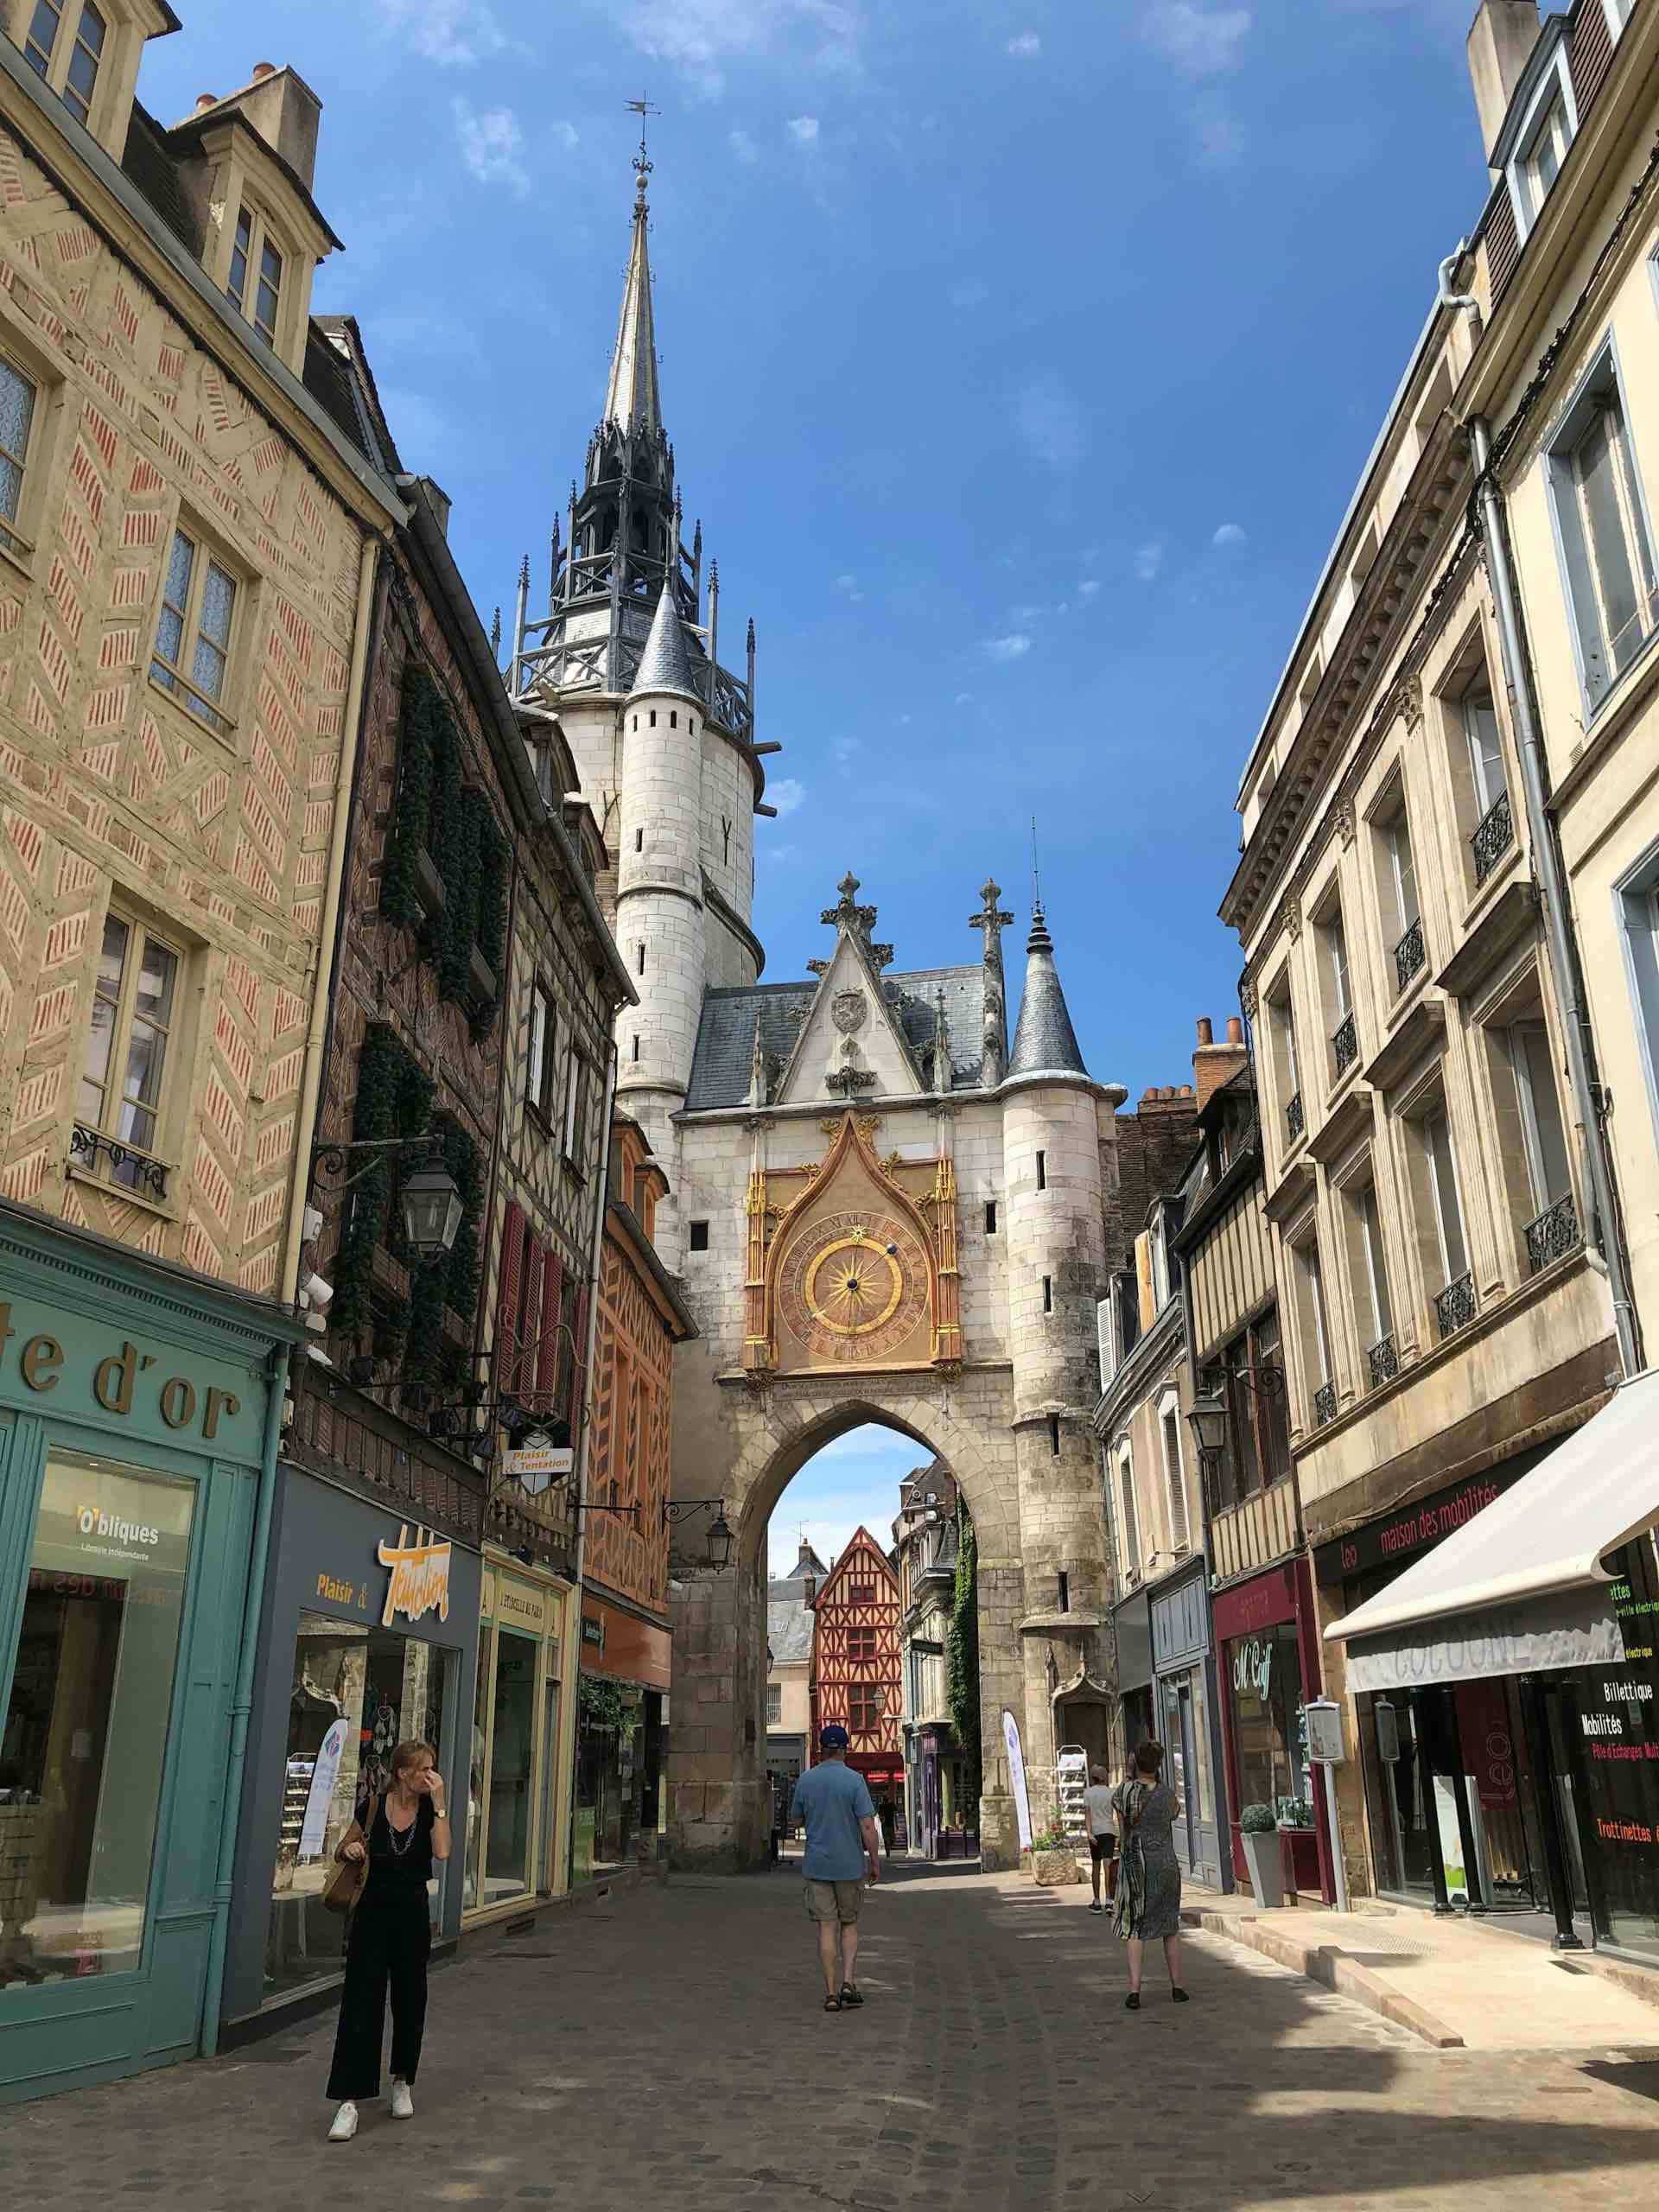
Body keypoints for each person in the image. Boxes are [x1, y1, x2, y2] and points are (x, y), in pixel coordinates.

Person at [325, 1738, 451, 2140]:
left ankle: (402, 2080)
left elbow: (444, 1852)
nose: (430, 1775)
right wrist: (353, 1849)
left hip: (412, 1916)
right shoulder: (375, 1807)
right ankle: (349, 2101)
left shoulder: (431, 1809)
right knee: (361, 2002)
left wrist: (442, 1801)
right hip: (371, 1916)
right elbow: (344, 1846)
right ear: (402, 1773)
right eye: (424, 1768)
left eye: (432, 1768)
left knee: (410, 1999)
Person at [790, 1723, 881, 2012]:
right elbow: (868, 1826)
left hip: (818, 1865)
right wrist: (875, 1862)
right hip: (849, 1866)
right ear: (844, 1750)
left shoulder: (806, 1780)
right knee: (849, 1925)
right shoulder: (855, 1781)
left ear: (822, 1749)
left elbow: (796, 1821)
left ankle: (830, 1993)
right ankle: (848, 1982)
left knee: (826, 1928)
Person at [1112, 1740, 1186, 2010]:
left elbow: (1122, 1831)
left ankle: (1134, 1990)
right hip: (1166, 1864)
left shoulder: (1124, 1792)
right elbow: (1174, 1815)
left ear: (1136, 1763)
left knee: (1135, 1928)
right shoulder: (1167, 1795)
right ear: (1158, 1765)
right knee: (1170, 1926)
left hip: (1137, 1864)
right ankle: (1177, 1987)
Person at [1083, 1762, 1116, 1914]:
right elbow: (1118, 1814)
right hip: (1109, 1830)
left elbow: (1088, 1815)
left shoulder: (1088, 1793)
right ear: (1104, 1777)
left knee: (1095, 1867)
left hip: (1095, 1832)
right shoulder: (1112, 1792)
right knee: (1108, 1866)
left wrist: (1089, 1833)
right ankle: (1109, 1900)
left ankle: (1097, 1901)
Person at [876, 1793, 897, 1858]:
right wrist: (882, 1819)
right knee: (886, 1839)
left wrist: (896, 1823)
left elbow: (895, 1813)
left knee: (892, 1839)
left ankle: (889, 1847)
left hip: (890, 1824)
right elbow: (879, 1814)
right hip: (885, 1824)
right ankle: (887, 1852)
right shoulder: (881, 1806)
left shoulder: (892, 1805)